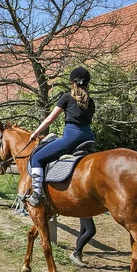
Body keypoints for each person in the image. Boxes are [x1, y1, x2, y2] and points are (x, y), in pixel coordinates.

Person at [25, 66, 96, 207]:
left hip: (72, 137)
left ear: (73, 82)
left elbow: (49, 119)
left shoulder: (67, 97)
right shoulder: (91, 102)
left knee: (37, 157)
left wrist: (35, 133)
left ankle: (37, 195)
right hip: (89, 137)